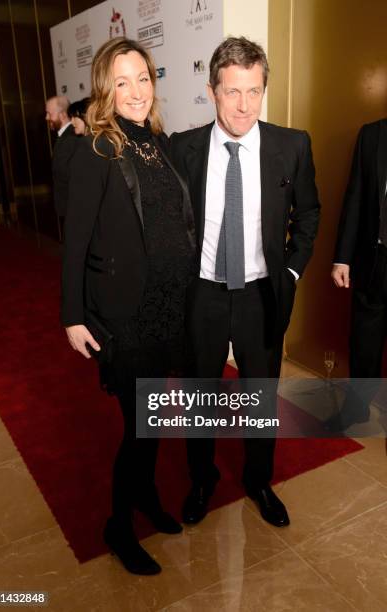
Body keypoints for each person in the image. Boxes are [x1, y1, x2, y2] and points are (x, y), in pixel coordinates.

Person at [171, 37, 320, 528]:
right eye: (233, 91)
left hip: (261, 295)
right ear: (212, 89)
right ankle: (202, 479)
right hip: (203, 296)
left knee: (259, 396)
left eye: (254, 91)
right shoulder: (183, 149)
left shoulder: (292, 145)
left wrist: (293, 271)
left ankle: (259, 479)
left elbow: (309, 214)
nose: (244, 105)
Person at [61, 38, 196, 575]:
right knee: (140, 425)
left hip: (168, 306)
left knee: (154, 419)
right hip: (126, 312)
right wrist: (73, 314)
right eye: (122, 82)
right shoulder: (96, 148)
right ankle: (118, 526)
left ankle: (144, 498)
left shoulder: (157, 141)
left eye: (143, 78)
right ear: (105, 89)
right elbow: (75, 239)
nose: (136, 91)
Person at [330, 118, 387, 430]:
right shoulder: (372, 134)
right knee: (364, 340)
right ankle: (357, 408)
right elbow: (356, 197)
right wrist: (342, 258)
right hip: (373, 259)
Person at [45, 96, 79, 217]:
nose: (47, 117)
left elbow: (72, 176)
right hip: (67, 207)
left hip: (73, 208)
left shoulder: (71, 138)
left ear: (63, 115)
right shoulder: (64, 136)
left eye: (49, 113)